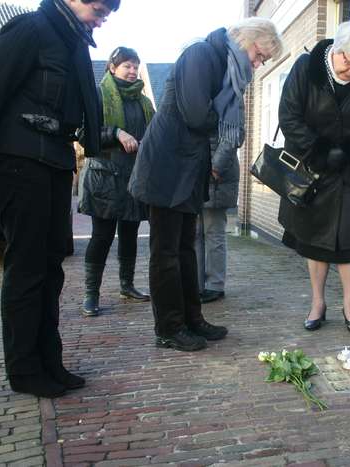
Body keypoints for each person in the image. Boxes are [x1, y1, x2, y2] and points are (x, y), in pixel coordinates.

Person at [0, 0, 119, 398]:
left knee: (51, 265)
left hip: (55, 161)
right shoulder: (30, 29)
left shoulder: (73, 42)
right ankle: (24, 368)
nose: (102, 18)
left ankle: (49, 359)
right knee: (27, 266)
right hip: (21, 161)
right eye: (99, 9)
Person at [128, 18, 283, 351]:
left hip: (188, 166)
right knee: (166, 251)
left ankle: (192, 319)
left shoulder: (225, 67)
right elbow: (196, 115)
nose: (258, 64)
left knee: (186, 248)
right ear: (246, 39)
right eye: (259, 55)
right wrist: (223, 119)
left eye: (263, 60)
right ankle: (169, 328)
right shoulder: (201, 54)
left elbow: (205, 116)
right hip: (167, 164)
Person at [277, 21, 350, 334]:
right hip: (313, 170)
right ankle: (318, 303)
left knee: (349, 241)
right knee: (315, 239)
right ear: (337, 50)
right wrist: (320, 150)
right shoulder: (306, 69)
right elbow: (289, 116)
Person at [78, 47, 155, 317]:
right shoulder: (99, 96)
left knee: (130, 234)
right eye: (126, 66)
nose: (132, 71)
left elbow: (154, 133)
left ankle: (127, 285)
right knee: (102, 236)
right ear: (112, 68)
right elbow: (83, 133)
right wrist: (116, 132)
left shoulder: (144, 102)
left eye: (135, 66)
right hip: (104, 178)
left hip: (133, 177)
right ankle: (91, 294)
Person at [194, 133, 239, 304]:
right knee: (195, 233)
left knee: (214, 232)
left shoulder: (230, 115)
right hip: (196, 172)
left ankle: (215, 285)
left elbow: (232, 137)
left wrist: (215, 167)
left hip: (217, 177)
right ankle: (196, 284)